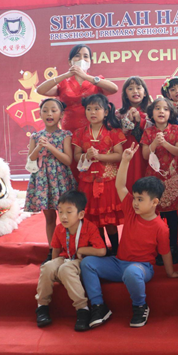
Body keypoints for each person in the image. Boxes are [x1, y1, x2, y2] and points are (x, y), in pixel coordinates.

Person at [80, 143, 178, 329]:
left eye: (140, 199)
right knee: (88, 263)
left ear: (154, 202)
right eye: (135, 198)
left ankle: (140, 306)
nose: (135, 202)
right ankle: (98, 305)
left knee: (132, 272)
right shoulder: (130, 210)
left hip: (142, 268)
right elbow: (120, 185)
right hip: (119, 263)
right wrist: (125, 161)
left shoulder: (161, 227)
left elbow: (165, 252)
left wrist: (170, 272)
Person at [35, 190, 107, 331]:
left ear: (80, 214)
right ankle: (42, 307)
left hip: (81, 261)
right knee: (48, 266)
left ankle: (83, 309)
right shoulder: (59, 229)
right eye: (60, 211)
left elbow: (102, 251)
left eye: (69, 212)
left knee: (66, 269)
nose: (63, 216)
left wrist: (82, 250)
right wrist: (53, 268)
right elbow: (56, 250)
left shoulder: (89, 227)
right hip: (65, 258)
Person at [24, 98, 78, 262]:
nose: (49, 114)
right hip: (42, 179)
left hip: (61, 179)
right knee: (49, 217)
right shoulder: (36, 136)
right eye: (45, 110)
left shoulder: (65, 135)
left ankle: (69, 248)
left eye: (54, 110)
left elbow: (68, 160)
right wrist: (39, 147)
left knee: (67, 215)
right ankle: (52, 249)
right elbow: (31, 159)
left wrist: (50, 147)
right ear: (40, 114)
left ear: (61, 114)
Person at [72, 94, 126, 255]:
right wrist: (85, 156)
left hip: (108, 181)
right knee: (93, 220)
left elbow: (119, 155)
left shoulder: (114, 132)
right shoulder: (79, 133)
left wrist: (99, 156)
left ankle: (116, 250)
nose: (92, 112)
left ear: (106, 112)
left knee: (109, 220)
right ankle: (102, 250)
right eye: (89, 109)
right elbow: (76, 156)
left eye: (97, 108)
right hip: (87, 182)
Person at [36, 44, 118, 134]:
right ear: (70, 62)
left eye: (85, 56)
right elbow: (40, 90)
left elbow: (114, 89)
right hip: (69, 130)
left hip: (93, 130)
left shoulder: (96, 81)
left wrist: (85, 76)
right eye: (77, 56)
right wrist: (66, 75)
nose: (81, 59)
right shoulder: (63, 83)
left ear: (90, 61)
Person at [141, 98, 178, 264]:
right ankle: (158, 249)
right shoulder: (148, 132)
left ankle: (172, 248)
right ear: (151, 113)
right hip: (154, 178)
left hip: (173, 177)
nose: (161, 111)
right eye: (157, 108)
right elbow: (145, 155)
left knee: (172, 216)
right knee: (155, 215)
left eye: (165, 109)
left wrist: (165, 143)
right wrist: (154, 143)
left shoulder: (175, 129)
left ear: (170, 113)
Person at [115, 76, 151, 192]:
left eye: (138, 88)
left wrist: (141, 121)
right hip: (126, 150)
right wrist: (128, 121)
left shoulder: (152, 112)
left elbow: (155, 131)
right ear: (125, 95)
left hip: (146, 151)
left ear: (145, 93)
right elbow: (115, 135)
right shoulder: (119, 114)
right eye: (130, 89)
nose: (135, 91)